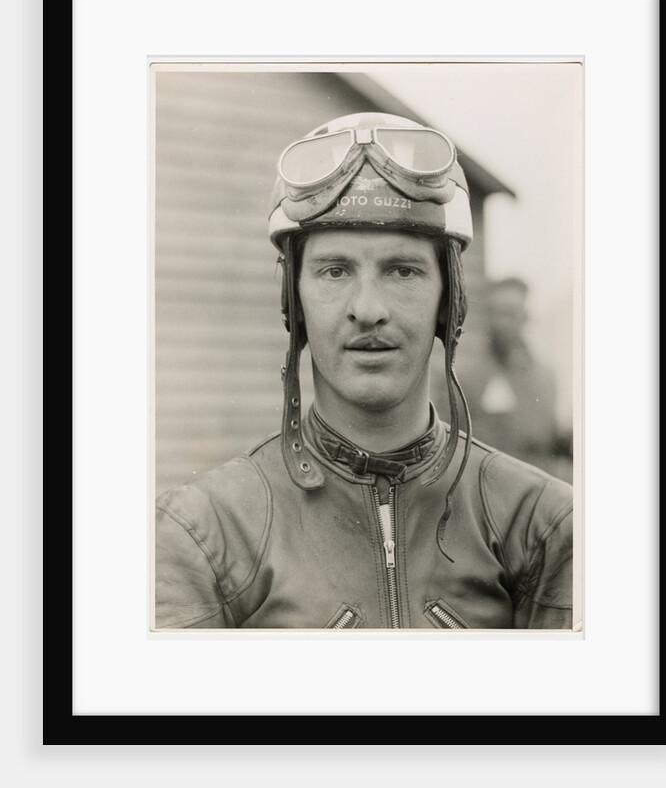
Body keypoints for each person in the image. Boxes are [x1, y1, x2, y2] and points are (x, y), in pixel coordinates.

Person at [154, 111, 574, 630]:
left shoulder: (545, 527)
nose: (368, 308)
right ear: (295, 301)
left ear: (450, 301)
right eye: (335, 271)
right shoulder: (203, 534)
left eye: (403, 270)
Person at [459, 276, 574, 481]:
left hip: (539, 491)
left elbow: (549, 441)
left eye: (509, 314)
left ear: (525, 317)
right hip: (489, 490)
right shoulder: (466, 377)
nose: (501, 324)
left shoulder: (545, 377)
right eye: (494, 313)